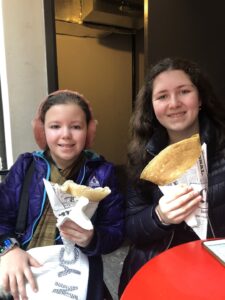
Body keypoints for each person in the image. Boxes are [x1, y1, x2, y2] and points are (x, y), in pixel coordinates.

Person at [0, 90, 125, 300]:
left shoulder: (103, 173)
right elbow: (2, 217)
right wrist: (8, 249)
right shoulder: (25, 166)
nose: (66, 134)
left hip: (76, 274)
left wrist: (92, 239)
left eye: (76, 127)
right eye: (55, 126)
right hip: (23, 267)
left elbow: (116, 231)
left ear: (89, 131)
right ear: (42, 131)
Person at [118, 57, 225, 296]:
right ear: (152, 106)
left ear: (200, 100)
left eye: (184, 91)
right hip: (161, 269)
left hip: (216, 272)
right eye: (162, 96)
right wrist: (160, 216)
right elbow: (132, 228)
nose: (174, 103)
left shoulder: (222, 149)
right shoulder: (143, 157)